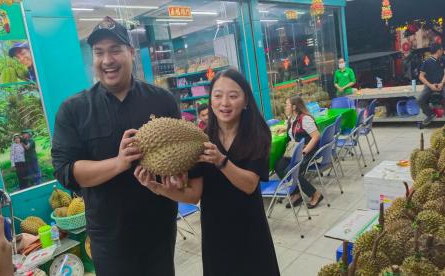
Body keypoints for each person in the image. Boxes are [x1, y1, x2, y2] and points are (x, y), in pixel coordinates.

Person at [51, 16, 180, 276]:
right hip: (110, 236)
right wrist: (119, 163)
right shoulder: (74, 110)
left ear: (131, 53)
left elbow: (178, 154)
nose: (107, 60)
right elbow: (65, 170)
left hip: (158, 227)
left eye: (115, 50)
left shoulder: (163, 101)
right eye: (99, 52)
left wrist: (180, 176)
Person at [135, 69, 280, 276]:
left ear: (246, 100)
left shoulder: (258, 134)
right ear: (210, 100)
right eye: (218, 95)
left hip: (250, 227)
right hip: (216, 230)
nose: (225, 103)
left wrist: (221, 161)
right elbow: (194, 195)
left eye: (233, 96)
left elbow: (250, 185)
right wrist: (158, 188)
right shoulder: (200, 138)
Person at [274, 96, 324, 209]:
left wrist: (305, 151)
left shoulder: (305, 119)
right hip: (294, 151)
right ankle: (296, 193)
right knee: (278, 166)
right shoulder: (292, 118)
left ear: (294, 107)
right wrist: (284, 129)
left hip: (307, 151)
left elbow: (316, 136)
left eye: (287, 104)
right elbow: (294, 131)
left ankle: (315, 194)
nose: (285, 107)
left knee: (291, 171)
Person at [417, 43, 445, 125]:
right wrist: (430, 86)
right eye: (442, 50)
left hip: (442, 84)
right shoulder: (426, 62)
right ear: (438, 50)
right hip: (430, 86)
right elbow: (421, 76)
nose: (443, 51)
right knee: (420, 100)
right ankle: (430, 114)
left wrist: (442, 83)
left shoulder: (443, 59)